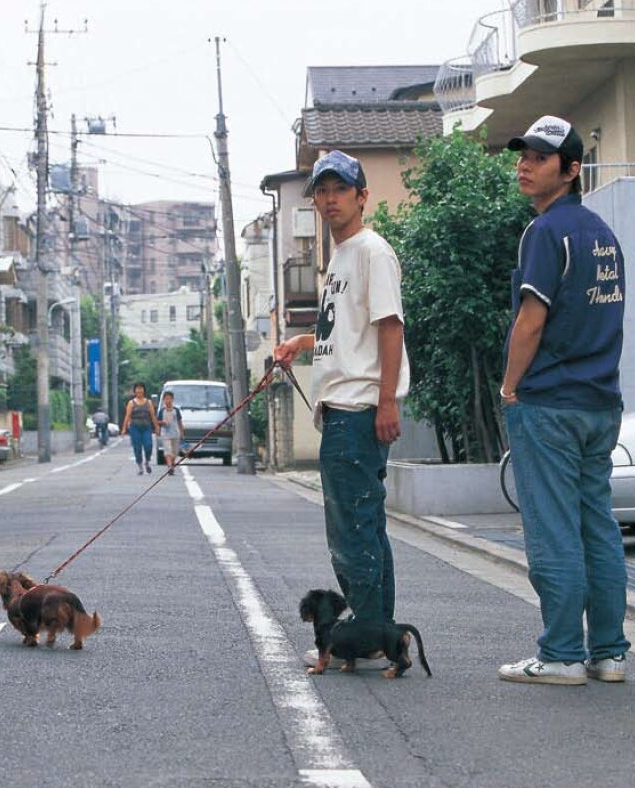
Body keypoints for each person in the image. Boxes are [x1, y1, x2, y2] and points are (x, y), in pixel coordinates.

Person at [497, 115, 630, 686]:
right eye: (523, 155)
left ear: (572, 169)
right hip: (601, 402)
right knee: (596, 526)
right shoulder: (603, 233)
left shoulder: (545, 233)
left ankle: (559, 655)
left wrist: (509, 387)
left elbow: (531, 320)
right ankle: (608, 653)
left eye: (540, 158)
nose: (525, 165)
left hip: (549, 401)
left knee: (552, 528)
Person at [273, 149, 410, 666]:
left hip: (358, 409)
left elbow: (390, 327)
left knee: (352, 533)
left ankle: (369, 634)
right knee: (365, 527)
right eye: (322, 192)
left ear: (361, 197)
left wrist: (386, 402)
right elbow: (344, 331)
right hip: (344, 408)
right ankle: (380, 631)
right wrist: (303, 342)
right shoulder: (340, 258)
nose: (330, 200)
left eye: (340, 190)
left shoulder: (373, 251)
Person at [121, 382, 157, 475]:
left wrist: (157, 427)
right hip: (135, 428)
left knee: (148, 445)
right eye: (137, 388)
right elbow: (127, 416)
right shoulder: (131, 403)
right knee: (137, 447)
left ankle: (147, 461)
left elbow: (153, 416)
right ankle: (140, 466)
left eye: (141, 388)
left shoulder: (148, 402)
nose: (139, 390)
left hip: (146, 427)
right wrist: (124, 428)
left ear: (144, 390)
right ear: (134, 391)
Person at [156, 391, 184, 475]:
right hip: (165, 434)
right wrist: (162, 423)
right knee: (168, 450)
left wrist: (182, 432)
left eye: (170, 399)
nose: (168, 400)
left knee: (175, 452)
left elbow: (180, 422)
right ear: (164, 400)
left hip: (175, 433)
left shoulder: (176, 410)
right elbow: (157, 422)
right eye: (166, 399)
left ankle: (172, 464)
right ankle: (169, 466)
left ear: (172, 399)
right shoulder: (161, 411)